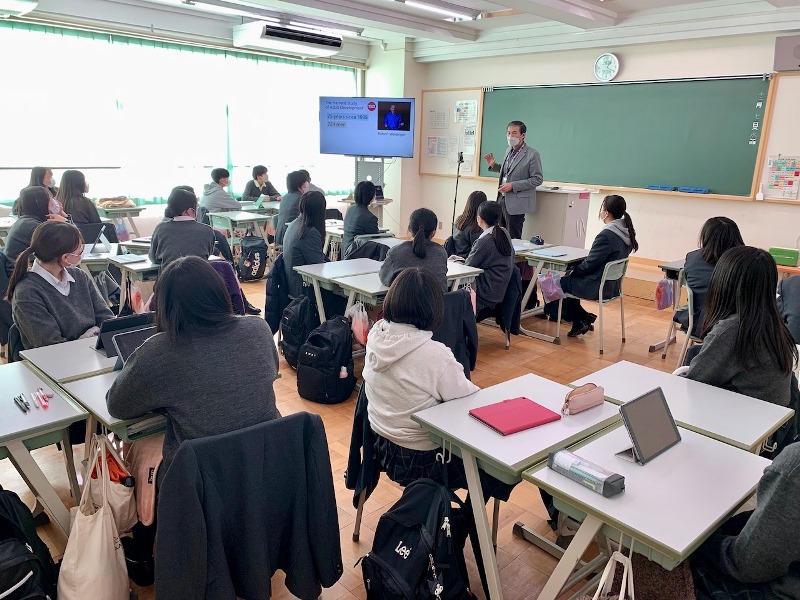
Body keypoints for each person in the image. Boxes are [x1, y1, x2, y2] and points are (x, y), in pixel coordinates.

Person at [106, 256, 281, 481]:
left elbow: (117, 406)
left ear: (164, 305)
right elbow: (269, 370)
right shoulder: (259, 329)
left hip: (200, 482)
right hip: (270, 467)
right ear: (220, 292)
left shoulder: (157, 351)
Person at [364, 267, 514, 501]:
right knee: (499, 469)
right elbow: (470, 400)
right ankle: (469, 521)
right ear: (434, 308)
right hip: (424, 459)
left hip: (381, 447)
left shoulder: (376, 336)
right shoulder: (433, 355)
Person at [681, 246, 797, 407]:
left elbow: (692, 383)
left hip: (744, 418)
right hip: (778, 417)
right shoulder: (773, 322)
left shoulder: (732, 330)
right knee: (695, 351)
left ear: (723, 283)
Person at [691, 441, 800, 600]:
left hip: (780, 589)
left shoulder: (795, 465)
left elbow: (748, 566)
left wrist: (700, 542)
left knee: (665, 566)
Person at [6, 221, 114, 349]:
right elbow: (52, 346)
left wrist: (91, 336)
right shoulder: (27, 293)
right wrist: (91, 334)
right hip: (58, 358)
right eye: (80, 251)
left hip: (92, 351)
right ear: (65, 258)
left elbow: (106, 319)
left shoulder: (79, 276)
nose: (82, 253)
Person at [546, 194, 638, 337]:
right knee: (567, 281)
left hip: (597, 286)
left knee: (553, 283)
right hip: (613, 286)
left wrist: (573, 270)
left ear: (606, 213)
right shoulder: (626, 232)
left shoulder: (606, 235)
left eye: (602, 208)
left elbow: (589, 265)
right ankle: (581, 318)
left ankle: (577, 318)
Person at [674, 217, 744, 337]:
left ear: (705, 236)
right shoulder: (743, 262)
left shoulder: (692, 257)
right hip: (733, 328)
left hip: (698, 324)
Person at [282, 191, 347, 316]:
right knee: (346, 298)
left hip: (293, 284)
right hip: (305, 289)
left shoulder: (294, 224)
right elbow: (319, 268)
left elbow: (318, 258)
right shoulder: (309, 232)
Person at [483, 120, 543, 239]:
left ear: (523, 135)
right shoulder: (508, 150)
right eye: (508, 133)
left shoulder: (532, 154)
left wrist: (513, 186)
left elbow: (537, 179)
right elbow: (509, 172)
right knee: (501, 237)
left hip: (516, 203)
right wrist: (494, 165)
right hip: (502, 199)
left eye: (514, 133)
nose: (510, 136)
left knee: (513, 239)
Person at [465, 201, 514, 317]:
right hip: (498, 293)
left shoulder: (484, 242)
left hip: (483, 297)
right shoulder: (504, 232)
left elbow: (466, 269)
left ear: (479, 218)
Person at [379, 208, 448, 292]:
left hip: (405, 300)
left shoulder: (395, 252)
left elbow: (384, 278)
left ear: (409, 228)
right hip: (437, 300)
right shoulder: (441, 253)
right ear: (433, 233)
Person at [149, 187, 216, 268]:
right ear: (190, 210)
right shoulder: (207, 230)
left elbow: (153, 258)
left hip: (169, 274)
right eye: (196, 206)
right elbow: (207, 255)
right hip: (199, 274)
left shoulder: (161, 228)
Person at [3, 186, 67, 262]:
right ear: (39, 202)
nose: (54, 201)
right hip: (21, 268)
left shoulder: (29, 220)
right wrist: (65, 223)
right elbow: (66, 245)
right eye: (49, 198)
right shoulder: (31, 225)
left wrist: (63, 215)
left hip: (27, 265)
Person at [341, 180, 379, 254]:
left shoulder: (350, 209)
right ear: (371, 196)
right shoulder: (370, 218)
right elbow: (375, 239)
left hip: (345, 251)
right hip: (357, 253)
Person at [275, 170, 309, 245]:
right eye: (305, 181)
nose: (307, 183)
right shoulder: (301, 198)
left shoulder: (285, 197)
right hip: (292, 236)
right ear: (301, 184)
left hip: (280, 236)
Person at [450, 190, 486, 258]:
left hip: (455, 257)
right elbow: (479, 250)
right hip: (467, 260)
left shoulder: (459, 220)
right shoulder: (474, 228)